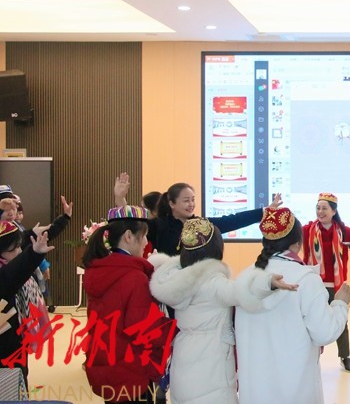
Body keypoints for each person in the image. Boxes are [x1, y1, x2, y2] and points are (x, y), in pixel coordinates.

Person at [149, 217, 296, 404]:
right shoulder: (213, 282)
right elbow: (240, 291)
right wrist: (267, 282)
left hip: (182, 356)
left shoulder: (175, 280)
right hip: (212, 364)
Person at [235, 206, 350, 404]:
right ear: (298, 243)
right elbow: (324, 333)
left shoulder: (244, 277)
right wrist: (340, 304)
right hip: (295, 392)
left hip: (253, 393)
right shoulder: (306, 279)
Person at [83, 206, 175, 404]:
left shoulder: (98, 271)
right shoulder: (134, 277)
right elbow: (143, 328)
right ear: (128, 236)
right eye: (144, 236)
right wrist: (175, 329)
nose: (146, 243)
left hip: (106, 363)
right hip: (131, 369)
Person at [114, 173, 266, 257]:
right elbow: (130, 224)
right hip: (166, 286)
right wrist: (120, 198)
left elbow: (233, 221)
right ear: (172, 203)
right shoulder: (159, 225)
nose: (191, 204)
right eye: (186, 201)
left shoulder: (201, 225)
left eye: (193, 200)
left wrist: (263, 212)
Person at [299, 192, 350, 372]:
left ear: (334, 211)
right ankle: (309, 355)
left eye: (324, 208)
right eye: (318, 208)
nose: (320, 211)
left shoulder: (343, 231)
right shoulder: (307, 230)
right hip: (313, 283)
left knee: (341, 320)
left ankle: (344, 356)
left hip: (336, 285)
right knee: (310, 319)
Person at [0, 220, 54, 389]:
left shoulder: (10, 264)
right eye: (14, 249)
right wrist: (34, 254)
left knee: (20, 377)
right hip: (5, 347)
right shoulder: (6, 274)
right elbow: (11, 275)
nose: (19, 251)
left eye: (19, 246)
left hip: (17, 341)